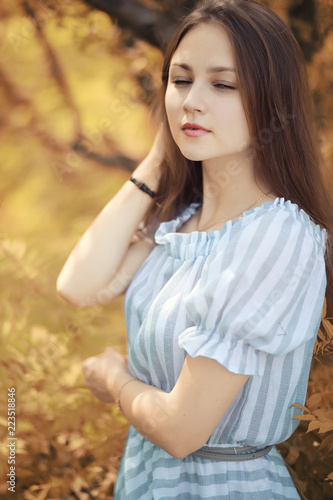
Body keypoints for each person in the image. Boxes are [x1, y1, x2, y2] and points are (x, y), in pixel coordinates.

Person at [57, 0, 333, 498]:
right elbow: (78, 285)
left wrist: (115, 380)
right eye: (181, 80)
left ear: (273, 102)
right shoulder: (181, 225)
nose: (191, 101)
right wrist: (159, 159)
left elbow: (182, 430)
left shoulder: (275, 235)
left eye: (222, 85)